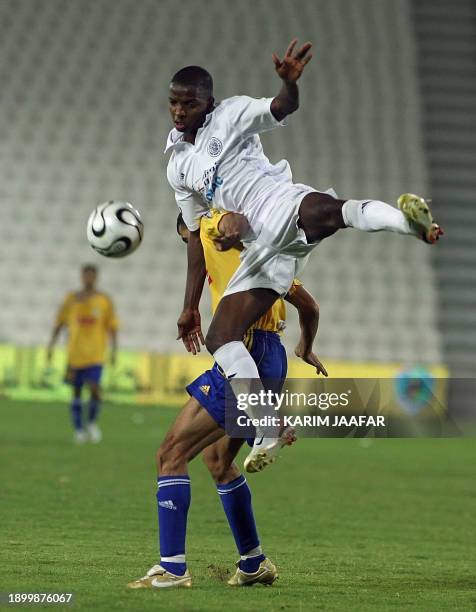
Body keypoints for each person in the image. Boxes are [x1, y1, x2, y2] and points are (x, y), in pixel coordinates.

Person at [165, 40, 444, 470]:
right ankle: (267, 424)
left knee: (333, 212)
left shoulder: (231, 114)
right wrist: (189, 306)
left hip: (277, 203)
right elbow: (194, 237)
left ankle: (411, 223)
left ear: (209, 102)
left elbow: (281, 107)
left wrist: (289, 84)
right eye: (174, 103)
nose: (180, 111)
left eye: (189, 103)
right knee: (222, 336)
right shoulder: (178, 165)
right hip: (260, 249)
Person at [127, 209, 326, 589]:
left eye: (187, 241)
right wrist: (305, 346)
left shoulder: (208, 228)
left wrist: (189, 304)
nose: (191, 249)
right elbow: (311, 307)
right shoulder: (262, 256)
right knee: (217, 459)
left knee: (170, 455)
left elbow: (206, 240)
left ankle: (172, 569)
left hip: (245, 350)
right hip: (272, 353)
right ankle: (254, 562)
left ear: (191, 231)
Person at [47, 264, 118, 444]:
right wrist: (51, 346)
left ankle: (92, 423)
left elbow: (113, 327)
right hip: (74, 354)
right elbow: (59, 324)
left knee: (95, 390)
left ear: (96, 277)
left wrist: (114, 350)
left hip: (95, 355)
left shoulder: (104, 300)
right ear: (82, 277)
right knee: (76, 392)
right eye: (86, 275)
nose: (88, 279)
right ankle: (79, 429)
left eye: (91, 275)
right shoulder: (71, 299)